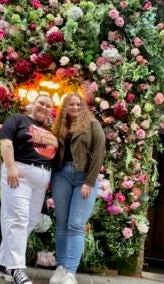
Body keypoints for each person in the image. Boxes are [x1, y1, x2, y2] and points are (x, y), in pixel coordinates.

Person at [0, 95, 58, 284]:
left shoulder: (49, 132)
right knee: (18, 219)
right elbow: (6, 142)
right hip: (19, 173)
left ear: (50, 111)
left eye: (48, 106)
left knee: (29, 222)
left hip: (40, 180)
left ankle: (3, 264)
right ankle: (17, 269)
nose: (44, 107)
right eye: (41, 103)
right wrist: (11, 167)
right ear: (33, 104)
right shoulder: (17, 120)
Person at [49, 93, 105, 284]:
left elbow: (98, 153)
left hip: (83, 176)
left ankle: (71, 273)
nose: (74, 107)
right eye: (70, 104)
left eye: (78, 104)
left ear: (83, 107)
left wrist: (89, 181)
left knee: (76, 224)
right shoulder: (59, 127)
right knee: (62, 223)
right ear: (65, 107)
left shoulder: (92, 124)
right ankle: (61, 268)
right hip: (61, 176)